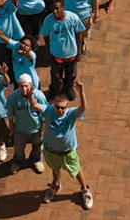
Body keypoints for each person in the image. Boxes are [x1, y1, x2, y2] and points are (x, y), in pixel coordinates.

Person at [30, 79, 93, 209]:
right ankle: (56, 185)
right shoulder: (48, 110)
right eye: (58, 107)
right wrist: (30, 95)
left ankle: (85, 189)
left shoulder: (70, 114)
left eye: (63, 107)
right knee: (55, 168)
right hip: (51, 150)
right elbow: (35, 105)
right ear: (53, 105)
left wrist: (82, 93)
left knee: (76, 170)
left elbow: (83, 108)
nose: (60, 110)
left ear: (67, 107)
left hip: (68, 152)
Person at [40, 0, 85, 100]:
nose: (55, 11)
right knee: (55, 76)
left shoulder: (72, 18)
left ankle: (67, 89)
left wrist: (79, 52)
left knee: (71, 75)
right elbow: (45, 34)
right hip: (56, 54)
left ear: (63, 8)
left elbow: (79, 33)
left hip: (71, 53)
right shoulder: (48, 20)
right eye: (53, 9)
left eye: (57, 9)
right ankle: (54, 91)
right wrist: (48, 48)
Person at [6, 73, 48, 174]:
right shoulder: (13, 97)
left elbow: (44, 113)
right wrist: (11, 124)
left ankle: (36, 159)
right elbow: (10, 112)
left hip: (36, 128)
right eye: (22, 86)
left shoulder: (39, 96)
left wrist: (42, 128)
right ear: (18, 85)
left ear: (31, 85)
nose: (24, 88)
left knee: (38, 146)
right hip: (20, 129)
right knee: (18, 149)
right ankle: (18, 162)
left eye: (26, 86)